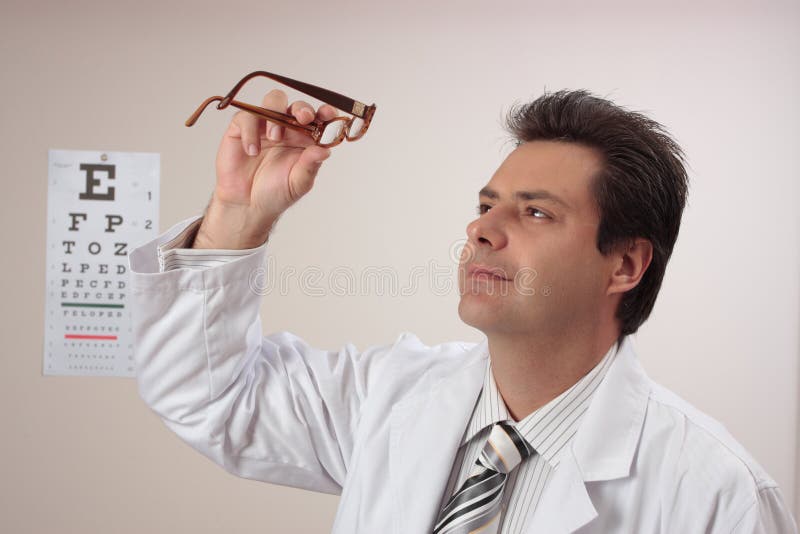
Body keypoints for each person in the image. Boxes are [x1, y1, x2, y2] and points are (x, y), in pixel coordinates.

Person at [129, 86, 798, 533]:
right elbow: (208, 398)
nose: (482, 230)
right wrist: (240, 216)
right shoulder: (388, 398)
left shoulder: (718, 494)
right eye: (485, 206)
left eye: (535, 211)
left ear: (624, 264)